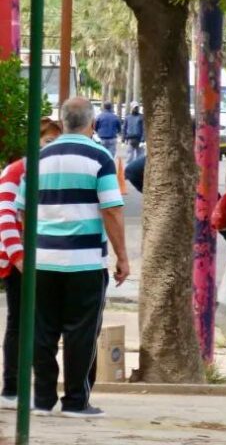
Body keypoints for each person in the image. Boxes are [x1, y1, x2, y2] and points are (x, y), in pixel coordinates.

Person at [15, 97, 130, 418]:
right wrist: (122, 257)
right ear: (91, 123)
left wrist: (32, 245)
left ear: (63, 121)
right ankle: (76, 401)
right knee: (81, 332)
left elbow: (22, 209)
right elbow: (112, 209)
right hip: (85, 262)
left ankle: (42, 400)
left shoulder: (38, 158)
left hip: (42, 261)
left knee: (42, 330)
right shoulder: (100, 157)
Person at [0, 118, 63, 410]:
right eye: (48, 141)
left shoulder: (48, 171)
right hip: (19, 262)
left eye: (55, 142)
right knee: (19, 322)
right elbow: (6, 220)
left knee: (41, 324)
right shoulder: (17, 171)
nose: (52, 147)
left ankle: (34, 389)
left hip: (45, 258)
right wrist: (19, 258)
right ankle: (11, 388)